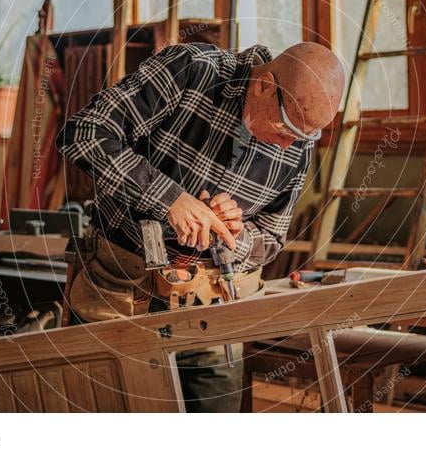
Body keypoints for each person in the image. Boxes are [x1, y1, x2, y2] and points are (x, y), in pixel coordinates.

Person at [56, 41, 345, 412]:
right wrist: (169, 198)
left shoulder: (297, 144)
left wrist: (237, 236)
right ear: (264, 85)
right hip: (119, 295)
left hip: (211, 312)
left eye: (307, 136)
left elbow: (271, 239)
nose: (290, 144)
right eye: (287, 127)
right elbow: (84, 133)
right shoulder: (193, 71)